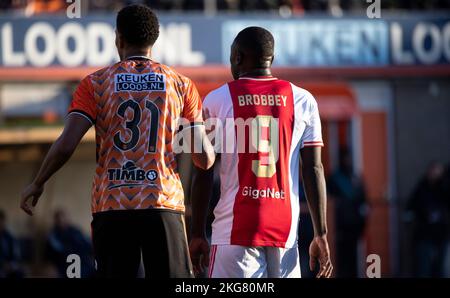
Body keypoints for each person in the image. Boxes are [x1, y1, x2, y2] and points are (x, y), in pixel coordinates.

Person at [20, 4, 215, 278]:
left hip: (112, 204)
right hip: (163, 202)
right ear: (154, 40)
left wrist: (38, 182)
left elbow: (66, 144)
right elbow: (203, 158)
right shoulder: (181, 85)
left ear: (118, 38)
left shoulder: (96, 83)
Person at [189, 26, 332, 278]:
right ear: (271, 60)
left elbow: (202, 170)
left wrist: (197, 232)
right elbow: (313, 168)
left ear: (238, 58)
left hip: (233, 231)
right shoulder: (303, 100)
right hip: (284, 230)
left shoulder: (216, 99)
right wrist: (321, 233)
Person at [328, 147, 367, 278]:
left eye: (349, 157)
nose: (348, 160)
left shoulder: (355, 178)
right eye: (345, 158)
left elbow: (363, 199)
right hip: (340, 226)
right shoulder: (334, 179)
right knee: (340, 257)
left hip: (354, 226)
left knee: (353, 258)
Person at [407, 162, 449, 277]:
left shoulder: (444, 187)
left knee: (439, 268)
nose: (434, 174)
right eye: (433, 170)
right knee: (423, 267)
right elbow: (412, 205)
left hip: (441, 233)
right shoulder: (422, 187)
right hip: (424, 234)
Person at [45, 209, 94, 278]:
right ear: (56, 220)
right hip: (66, 267)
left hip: (85, 265)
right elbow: (50, 255)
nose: (62, 221)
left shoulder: (76, 231)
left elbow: (88, 245)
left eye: (64, 217)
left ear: (68, 218)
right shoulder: (53, 236)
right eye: (59, 219)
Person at [0, 210, 24, 278]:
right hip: (1, 266)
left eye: (1, 221)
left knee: (20, 272)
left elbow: (16, 255)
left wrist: (12, 265)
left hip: (10, 266)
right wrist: (3, 264)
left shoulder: (10, 237)